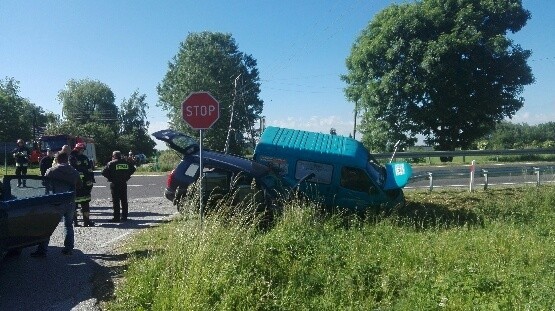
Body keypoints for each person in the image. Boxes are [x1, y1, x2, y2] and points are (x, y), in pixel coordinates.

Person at [31, 152, 82, 257]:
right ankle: (68, 249)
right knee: (68, 225)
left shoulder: (51, 171)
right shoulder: (74, 171)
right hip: (70, 201)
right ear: (67, 159)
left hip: (55, 201)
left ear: (57, 159)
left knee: (48, 225)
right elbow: (80, 185)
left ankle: (42, 250)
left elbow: (44, 184)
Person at [102, 150, 136, 222]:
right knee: (124, 200)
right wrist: (127, 176)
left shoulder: (111, 163)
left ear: (114, 156)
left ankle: (116, 217)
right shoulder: (126, 163)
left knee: (116, 201)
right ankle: (124, 217)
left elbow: (103, 172)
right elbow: (133, 169)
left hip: (115, 183)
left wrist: (110, 178)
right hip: (123, 183)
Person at [69, 143, 96, 227]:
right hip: (75, 185)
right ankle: (75, 222)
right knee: (74, 205)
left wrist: (91, 179)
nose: (82, 151)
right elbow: (73, 169)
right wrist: (85, 170)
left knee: (85, 204)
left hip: (85, 185)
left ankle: (86, 221)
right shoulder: (71, 158)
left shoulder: (84, 158)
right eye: (81, 149)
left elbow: (89, 169)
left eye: (83, 150)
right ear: (77, 149)